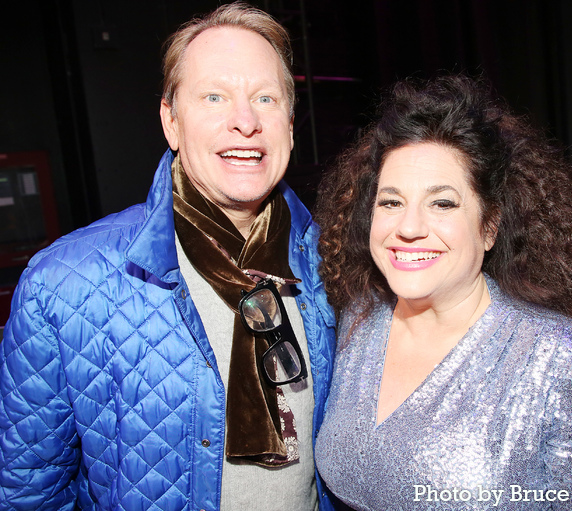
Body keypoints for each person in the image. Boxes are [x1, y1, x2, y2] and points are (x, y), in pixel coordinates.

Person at [0, 3, 335, 510]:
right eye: (214, 97)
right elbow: (29, 492)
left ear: (290, 125)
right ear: (171, 122)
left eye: (264, 98)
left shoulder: (339, 266)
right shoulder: (63, 285)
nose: (244, 121)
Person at [313, 74, 572, 510]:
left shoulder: (565, 359)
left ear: (490, 225)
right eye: (391, 201)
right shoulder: (359, 319)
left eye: (442, 203)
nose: (408, 228)